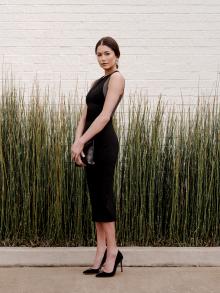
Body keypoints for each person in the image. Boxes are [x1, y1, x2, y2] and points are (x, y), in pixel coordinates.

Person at [71, 36, 125, 277]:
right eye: (99, 54)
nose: (103, 58)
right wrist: (77, 141)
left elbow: (103, 117)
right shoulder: (96, 81)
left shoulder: (117, 78)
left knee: (103, 198)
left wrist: (83, 141)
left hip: (104, 145)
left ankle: (113, 252)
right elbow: (85, 115)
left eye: (107, 53)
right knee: (95, 199)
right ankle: (100, 250)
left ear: (116, 55)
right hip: (89, 142)